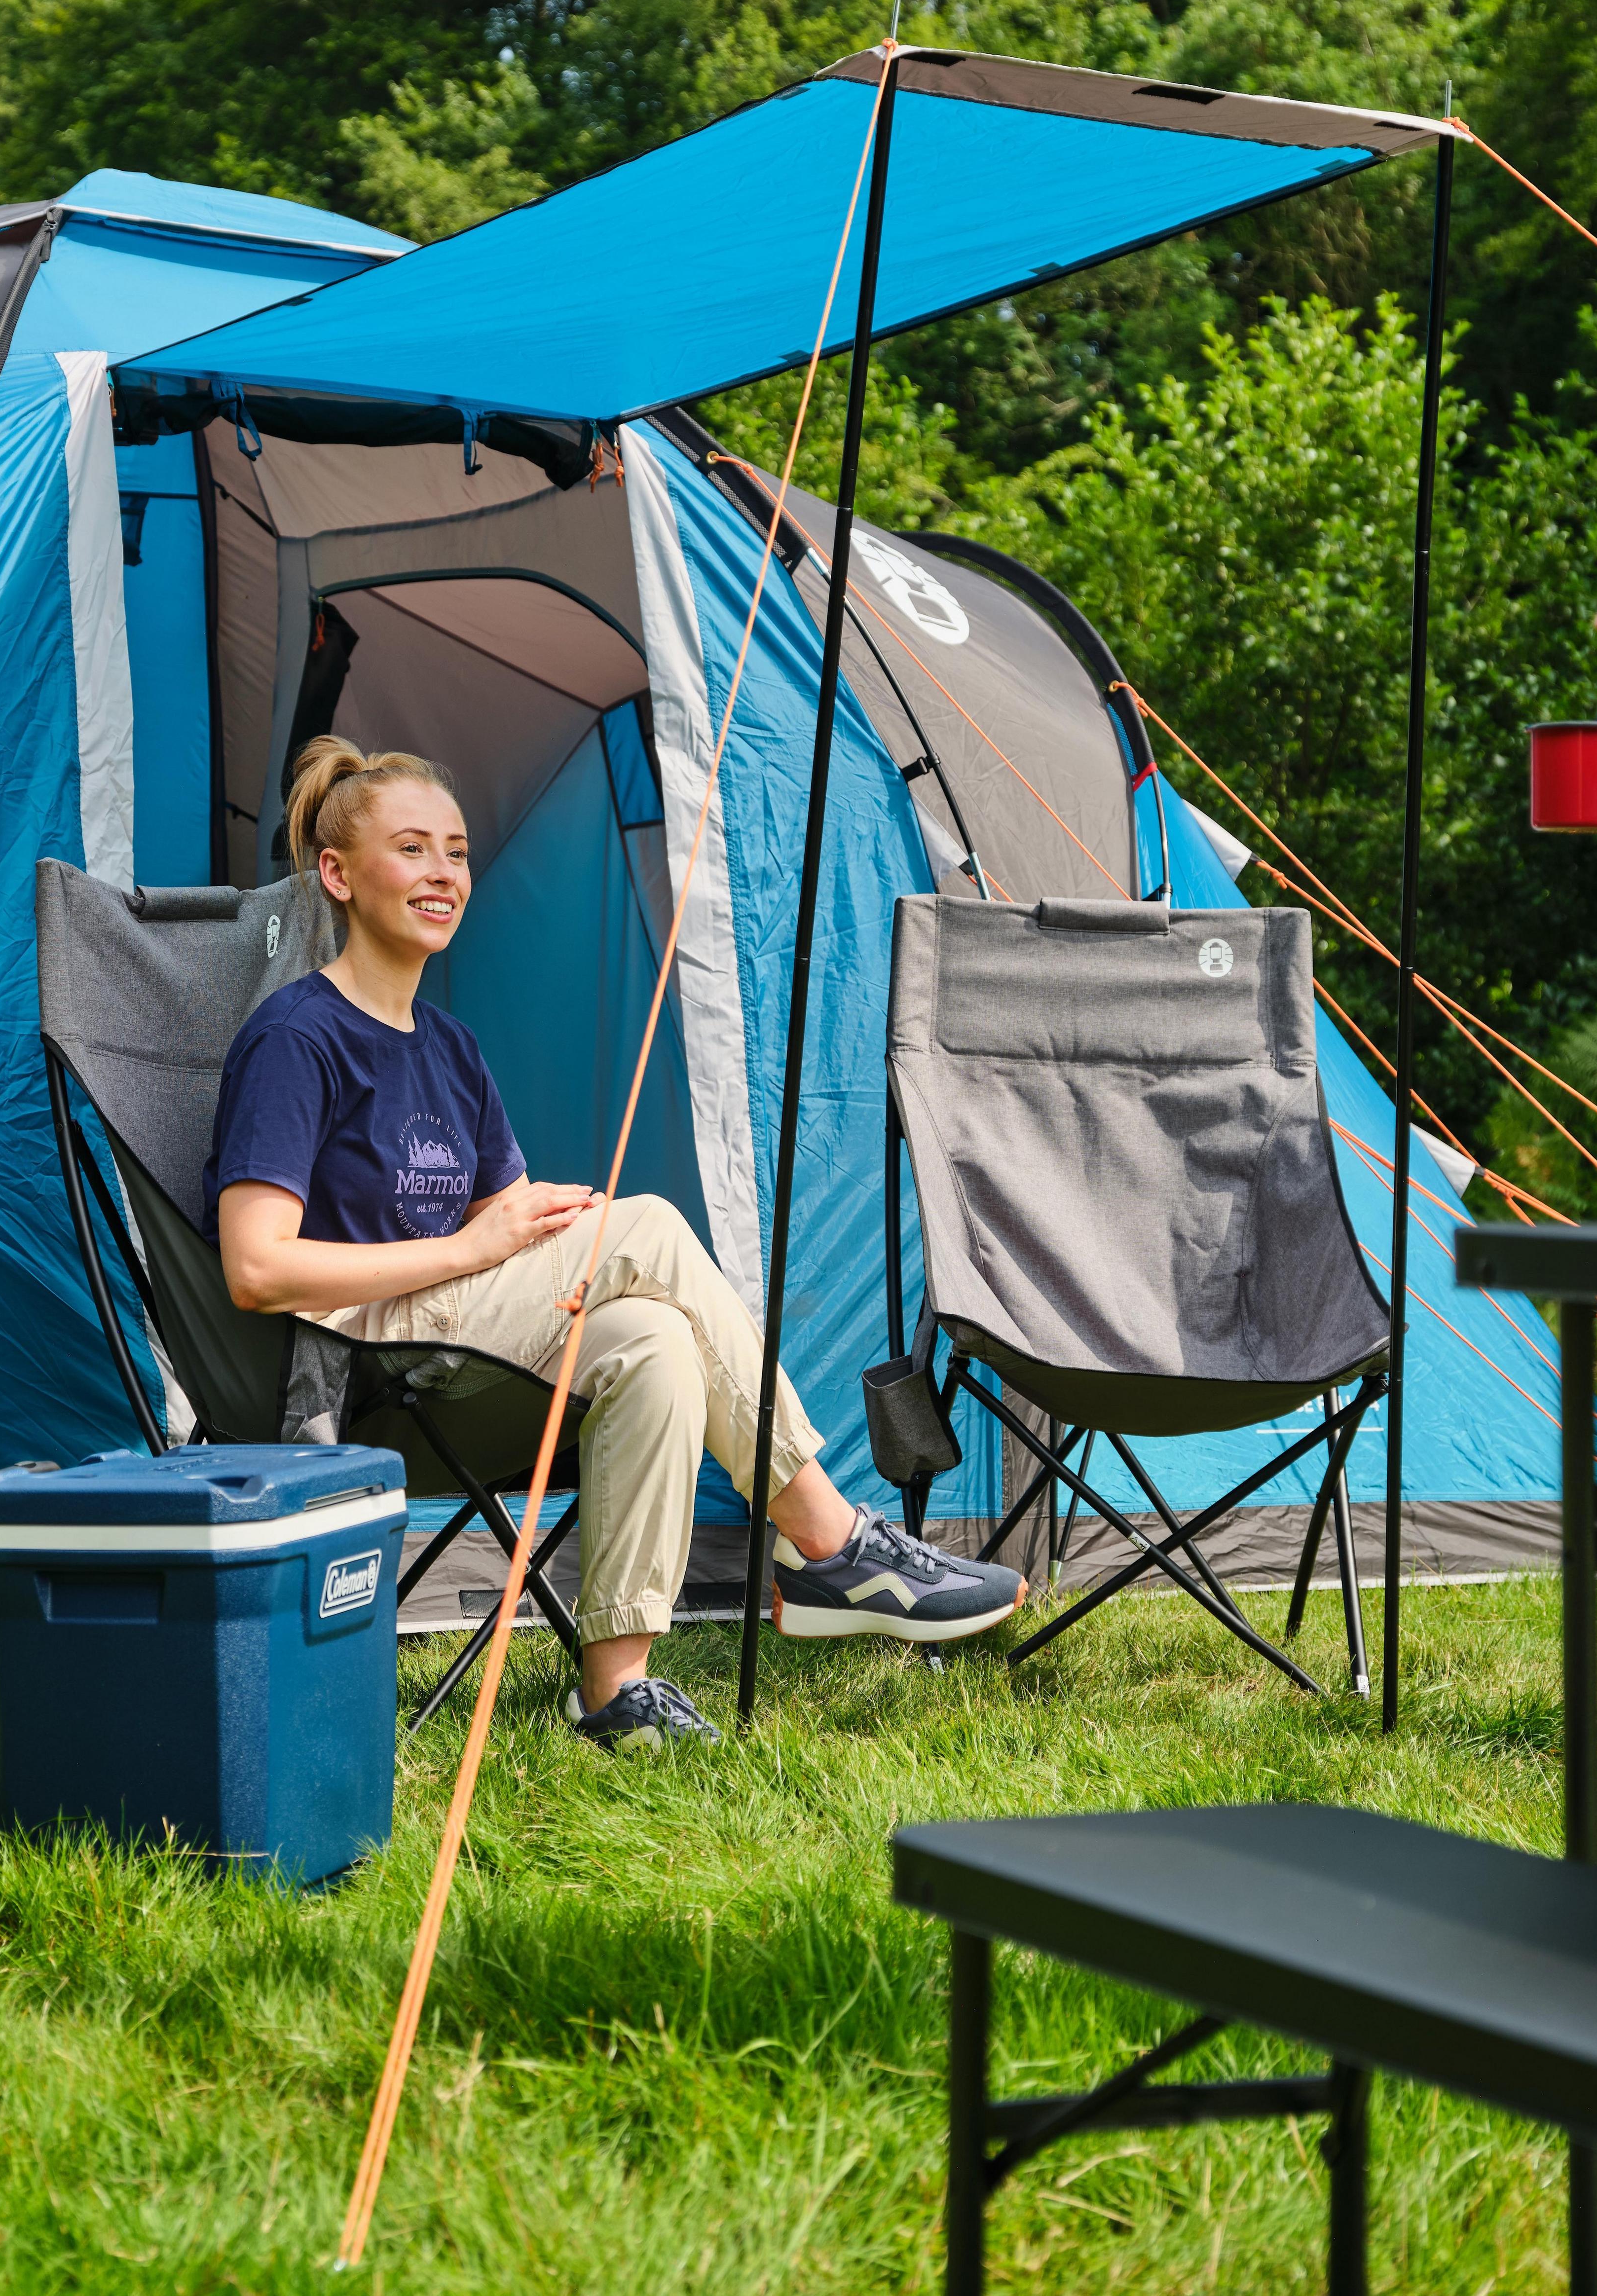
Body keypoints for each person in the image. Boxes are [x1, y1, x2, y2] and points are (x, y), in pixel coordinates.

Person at [208, 735, 1024, 1751]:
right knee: (646, 1228)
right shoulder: (298, 1038)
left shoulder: (449, 1049)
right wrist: (480, 1247)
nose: (442, 874)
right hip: (353, 1360)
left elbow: (508, 1229)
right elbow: (256, 1270)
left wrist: (512, 1242)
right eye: (411, 849)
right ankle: (829, 1539)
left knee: (652, 1338)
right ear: (337, 875)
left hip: (457, 1342)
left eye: (456, 853)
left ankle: (615, 1692)